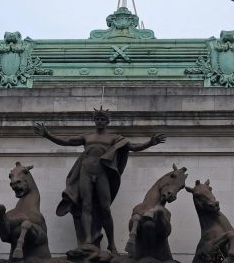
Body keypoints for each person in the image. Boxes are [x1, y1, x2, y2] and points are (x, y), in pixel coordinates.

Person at [33, 107, 166, 254]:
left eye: (103, 119)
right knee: (86, 205)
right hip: (85, 172)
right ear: (95, 121)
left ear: (107, 121)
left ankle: (112, 244)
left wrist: (150, 143)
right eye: (98, 119)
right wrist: (48, 135)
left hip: (102, 174)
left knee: (105, 208)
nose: (100, 122)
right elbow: (67, 141)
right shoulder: (87, 137)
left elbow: (133, 147)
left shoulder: (114, 138)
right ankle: (88, 240)